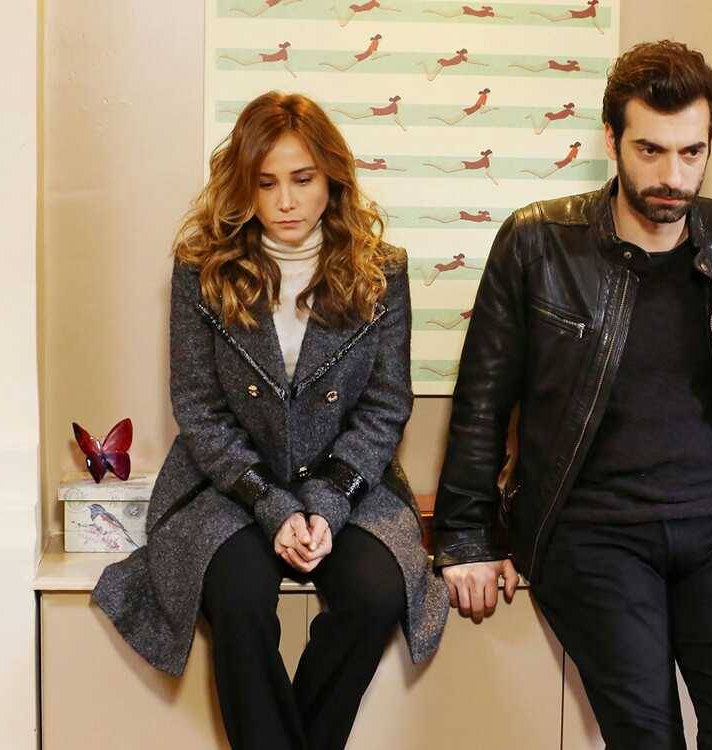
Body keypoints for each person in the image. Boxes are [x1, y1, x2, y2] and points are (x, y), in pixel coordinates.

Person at [432, 40, 712, 749]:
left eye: (691, 152)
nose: (672, 176)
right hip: (592, 530)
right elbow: (483, 398)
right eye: (649, 151)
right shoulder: (538, 243)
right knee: (647, 738)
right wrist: (466, 535)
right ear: (611, 139)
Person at [93, 90, 447, 750]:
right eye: (266, 182)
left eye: (302, 179)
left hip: (348, 483)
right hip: (227, 486)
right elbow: (199, 409)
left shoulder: (381, 271)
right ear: (244, 186)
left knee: (376, 593)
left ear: (332, 178)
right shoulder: (201, 270)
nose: (285, 201)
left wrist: (326, 504)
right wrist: (272, 506)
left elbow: (384, 406)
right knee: (238, 600)